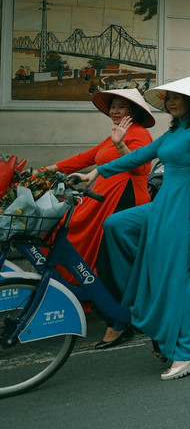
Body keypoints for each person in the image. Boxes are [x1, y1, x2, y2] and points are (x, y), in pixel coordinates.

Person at [72, 77, 190, 381]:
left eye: (178, 98)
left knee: (177, 283)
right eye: (168, 98)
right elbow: (139, 157)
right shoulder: (172, 133)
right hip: (163, 206)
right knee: (115, 224)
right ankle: (145, 282)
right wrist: (95, 172)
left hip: (185, 213)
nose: (171, 102)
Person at [44, 88, 156, 349]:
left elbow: (140, 167)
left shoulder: (140, 133)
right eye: (113, 107)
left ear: (134, 111)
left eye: (122, 107)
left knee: (108, 261)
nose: (115, 111)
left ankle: (117, 322)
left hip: (124, 202)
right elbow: (84, 159)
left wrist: (121, 144)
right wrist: (42, 171)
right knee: (84, 249)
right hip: (102, 200)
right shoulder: (112, 136)